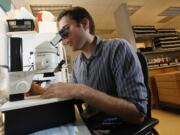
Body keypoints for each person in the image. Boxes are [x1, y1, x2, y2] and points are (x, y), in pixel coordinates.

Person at [41, 6, 147, 133]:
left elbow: (137, 114)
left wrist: (81, 90)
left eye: (65, 30)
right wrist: (41, 91)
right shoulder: (77, 63)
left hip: (117, 126)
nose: (63, 39)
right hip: (90, 122)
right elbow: (72, 96)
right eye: (61, 35)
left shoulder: (118, 48)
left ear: (85, 24)